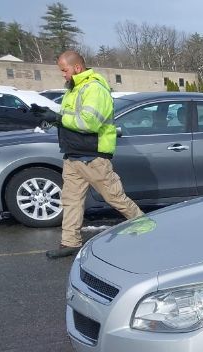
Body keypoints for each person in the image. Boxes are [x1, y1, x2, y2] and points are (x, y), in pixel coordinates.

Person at [33, 50, 143, 259]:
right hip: (73, 154)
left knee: (116, 198)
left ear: (77, 68)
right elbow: (70, 116)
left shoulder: (95, 88)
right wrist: (49, 115)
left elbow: (89, 123)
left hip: (93, 156)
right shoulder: (74, 89)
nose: (63, 75)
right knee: (71, 201)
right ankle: (70, 243)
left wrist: (57, 117)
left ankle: (148, 229)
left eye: (64, 70)